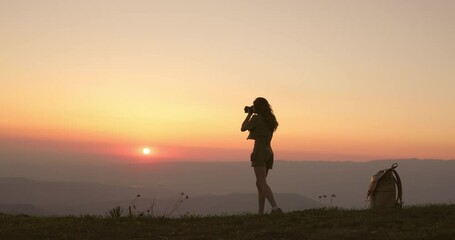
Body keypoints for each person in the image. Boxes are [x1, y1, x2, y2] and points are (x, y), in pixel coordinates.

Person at [241, 97, 282, 214]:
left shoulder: (257, 118)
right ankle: (260, 212)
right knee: (260, 183)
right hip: (268, 151)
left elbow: (243, 128)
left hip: (259, 151)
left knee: (262, 183)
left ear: (257, 107)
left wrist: (249, 114)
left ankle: (275, 208)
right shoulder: (271, 119)